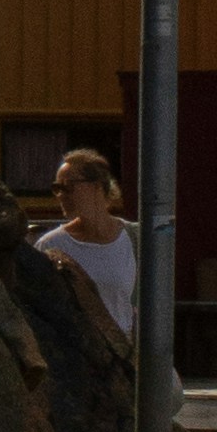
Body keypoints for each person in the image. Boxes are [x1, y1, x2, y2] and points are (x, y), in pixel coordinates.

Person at [33, 148, 139, 347]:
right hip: (76, 355)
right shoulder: (51, 245)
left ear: (97, 187)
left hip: (125, 354)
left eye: (69, 186)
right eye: (57, 188)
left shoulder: (135, 239)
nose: (61, 195)